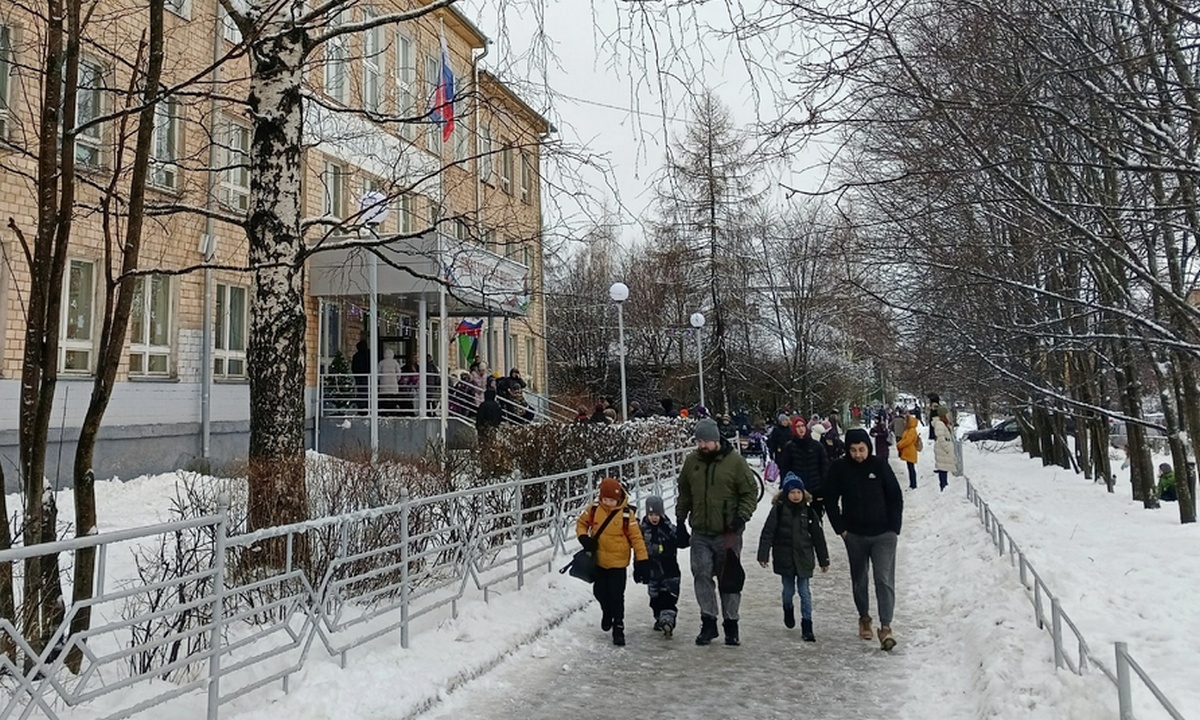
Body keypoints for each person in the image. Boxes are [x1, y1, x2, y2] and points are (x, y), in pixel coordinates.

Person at [675, 418, 758, 647]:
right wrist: (680, 520)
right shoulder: (692, 463)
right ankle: (708, 621)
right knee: (701, 574)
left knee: (729, 579)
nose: (702, 445)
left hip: (728, 532)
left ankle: (731, 624)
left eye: (706, 441)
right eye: (699, 441)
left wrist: (741, 516)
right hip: (700, 531)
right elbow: (684, 493)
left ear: (716, 440)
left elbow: (750, 492)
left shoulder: (735, 462)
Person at [823, 428, 904, 651]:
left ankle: (886, 626)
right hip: (855, 534)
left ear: (868, 447)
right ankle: (864, 618)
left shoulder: (879, 466)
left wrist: (894, 527)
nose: (858, 454)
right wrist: (841, 529)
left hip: (883, 534)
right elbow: (830, 499)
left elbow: (895, 496)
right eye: (853, 450)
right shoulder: (840, 468)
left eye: (862, 449)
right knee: (860, 579)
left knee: (883, 578)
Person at [576, 478, 653, 646]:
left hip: (618, 563)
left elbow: (637, 539)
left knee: (617, 595)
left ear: (618, 499)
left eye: (612, 500)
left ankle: (618, 627)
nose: (609, 503)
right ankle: (606, 611)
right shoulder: (594, 509)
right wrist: (584, 538)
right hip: (599, 561)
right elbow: (581, 523)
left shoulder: (626, 514)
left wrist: (643, 560)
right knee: (600, 591)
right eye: (605, 499)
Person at [757, 472, 829, 641]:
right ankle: (787, 609)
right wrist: (763, 554)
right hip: (785, 557)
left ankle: (807, 625)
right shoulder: (779, 511)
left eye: (799, 492)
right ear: (786, 494)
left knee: (805, 592)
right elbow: (768, 532)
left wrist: (823, 559)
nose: (796, 496)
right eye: (792, 492)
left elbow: (818, 538)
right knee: (788, 590)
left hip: (804, 558)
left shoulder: (809, 513)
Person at [639, 496, 681, 638]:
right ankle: (659, 618)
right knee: (655, 599)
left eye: (657, 514)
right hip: (652, 571)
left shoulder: (668, 528)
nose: (654, 518)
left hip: (670, 570)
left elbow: (682, 540)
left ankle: (667, 621)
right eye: (651, 515)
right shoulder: (642, 530)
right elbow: (638, 549)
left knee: (668, 598)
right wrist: (638, 567)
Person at [777, 416, 828, 499]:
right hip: (797, 490)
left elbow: (824, 467)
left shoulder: (817, 446)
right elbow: (785, 469)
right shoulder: (789, 447)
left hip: (816, 488)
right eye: (798, 426)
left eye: (802, 426)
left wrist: (824, 485)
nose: (801, 429)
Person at [932, 407, 955, 491]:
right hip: (943, 449)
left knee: (944, 468)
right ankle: (943, 486)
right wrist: (947, 448)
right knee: (943, 468)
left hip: (943, 449)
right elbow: (941, 437)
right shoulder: (940, 424)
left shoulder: (943, 423)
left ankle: (944, 486)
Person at [896, 415, 921, 489]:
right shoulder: (908, 429)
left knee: (911, 468)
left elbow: (908, 440)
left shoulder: (911, 430)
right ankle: (912, 483)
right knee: (910, 468)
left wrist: (900, 444)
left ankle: (913, 484)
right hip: (908, 451)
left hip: (910, 451)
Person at [377, 348, 402, 412]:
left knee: (384, 398)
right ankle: (392, 410)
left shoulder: (381, 363)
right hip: (393, 384)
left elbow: (378, 373)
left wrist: (380, 380)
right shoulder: (395, 362)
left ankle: (385, 410)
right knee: (393, 398)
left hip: (383, 384)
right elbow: (399, 373)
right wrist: (397, 379)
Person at [351, 338, 371, 410]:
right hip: (369, 376)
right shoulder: (370, 354)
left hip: (359, 376)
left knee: (361, 392)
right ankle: (368, 406)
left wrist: (355, 375)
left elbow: (353, 367)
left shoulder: (356, 356)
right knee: (368, 392)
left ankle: (361, 407)